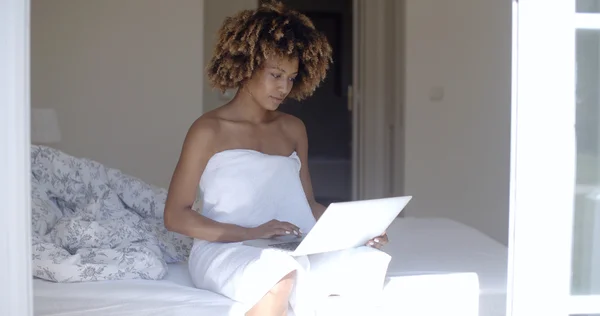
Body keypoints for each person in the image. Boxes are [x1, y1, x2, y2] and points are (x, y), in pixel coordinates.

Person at [164, 2, 389, 315]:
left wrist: (359, 233)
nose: (284, 87)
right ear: (246, 65)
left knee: (366, 262)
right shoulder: (208, 130)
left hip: (288, 243)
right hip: (227, 247)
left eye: (292, 77)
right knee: (279, 275)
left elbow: (308, 204)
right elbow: (175, 216)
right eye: (275, 75)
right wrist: (249, 233)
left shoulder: (293, 128)